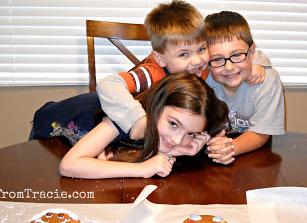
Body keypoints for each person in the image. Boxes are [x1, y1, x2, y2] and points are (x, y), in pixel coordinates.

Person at [97, 0, 268, 141]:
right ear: (160, 58)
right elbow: (108, 85)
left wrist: (257, 65)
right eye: (184, 54)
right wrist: (139, 121)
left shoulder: (204, 66)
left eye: (201, 49)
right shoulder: (152, 72)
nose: (196, 61)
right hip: (119, 132)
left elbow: (237, 51)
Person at [59, 72, 229, 179]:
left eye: (191, 134)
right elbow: (70, 166)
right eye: (173, 124)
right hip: (50, 132)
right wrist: (142, 169)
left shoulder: (165, 130)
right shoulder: (126, 117)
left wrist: (173, 150)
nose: (177, 140)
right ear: (157, 105)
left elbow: (111, 156)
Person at [204, 11, 285, 165]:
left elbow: (261, 131)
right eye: (217, 59)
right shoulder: (202, 80)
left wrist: (230, 148)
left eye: (237, 55)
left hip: (255, 158)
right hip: (208, 151)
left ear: (252, 51)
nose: (229, 67)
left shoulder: (267, 82)